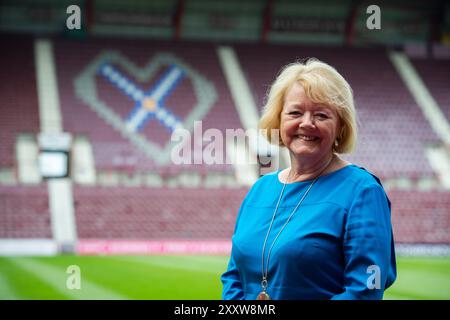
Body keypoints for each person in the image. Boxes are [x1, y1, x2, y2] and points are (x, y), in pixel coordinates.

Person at [221, 58, 397, 300]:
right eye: (295, 112)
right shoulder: (260, 189)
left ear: (340, 127)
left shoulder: (363, 192)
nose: (306, 123)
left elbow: (364, 291)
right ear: (279, 120)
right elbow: (233, 276)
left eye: (321, 115)